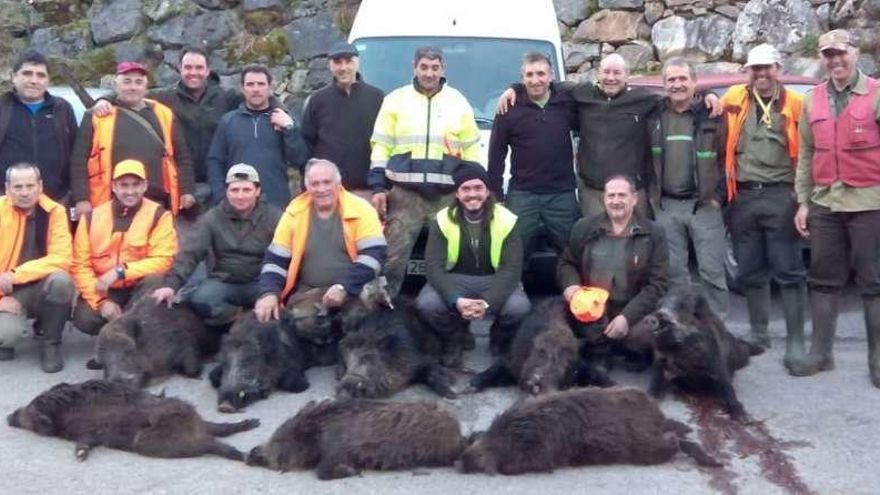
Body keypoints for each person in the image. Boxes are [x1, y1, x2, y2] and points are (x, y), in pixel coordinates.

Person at [498, 53, 721, 220]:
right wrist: (515, 88)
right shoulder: (582, 93)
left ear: (627, 76)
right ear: (598, 74)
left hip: (633, 193)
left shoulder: (644, 99)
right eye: (606, 72)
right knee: (594, 247)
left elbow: (678, 94)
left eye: (617, 73)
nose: (611, 77)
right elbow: (543, 85)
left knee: (638, 246)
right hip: (594, 192)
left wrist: (708, 95)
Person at [791, 30, 880, 386]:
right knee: (823, 281)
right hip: (825, 203)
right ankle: (820, 353)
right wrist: (802, 202)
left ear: (855, 54)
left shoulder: (875, 94)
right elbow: (806, 155)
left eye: (840, 53)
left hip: (869, 202)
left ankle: (877, 358)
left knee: (873, 283)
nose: (835, 61)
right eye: (828, 55)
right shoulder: (812, 100)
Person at [720, 44, 807, 370]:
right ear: (748, 72)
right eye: (755, 69)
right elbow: (707, 108)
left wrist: (803, 199)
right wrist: (710, 101)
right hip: (742, 197)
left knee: (789, 270)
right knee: (750, 269)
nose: (761, 74)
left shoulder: (798, 103)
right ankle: (759, 333)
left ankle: (797, 342)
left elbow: (809, 151)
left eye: (766, 68)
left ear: (778, 68)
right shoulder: (733, 98)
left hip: (781, 195)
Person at [368, 46, 481, 297]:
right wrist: (377, 187)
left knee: (452, 260)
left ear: (443, 69)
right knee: (392, 261)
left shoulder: (457, 102)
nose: (429, 73)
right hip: (405, 196)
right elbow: (381, 146)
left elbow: (472, 149)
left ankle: (449, 311)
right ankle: (384, 312)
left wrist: (474, 187)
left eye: (434, 67)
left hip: (447, 197)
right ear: (414, 67)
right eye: (424, 67)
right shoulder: (395, 100)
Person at [94, 47, 243, 208]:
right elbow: (131, 93)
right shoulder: (165, 96)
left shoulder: (227, 97)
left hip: (217, 181)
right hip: (180, 182)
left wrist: (275, 110)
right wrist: (104, 99)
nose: (193, 72)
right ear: (180, 68)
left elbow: (258, 98)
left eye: (199, 68)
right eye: (188, 67)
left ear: (208, 70)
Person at [416, 163, 530, 365]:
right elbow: (433, 266)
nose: (472, 194)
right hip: (456, 279)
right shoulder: (442, 220)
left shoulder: (507, 220)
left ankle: (499, 339)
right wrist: (456, 300)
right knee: (427, 304)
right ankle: (454, 337)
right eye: (466, 189)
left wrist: (487, 303)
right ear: (457, 194)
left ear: (487, 192)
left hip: (494, 280)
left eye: (478, 188)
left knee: (519, 307)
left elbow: (511, 269)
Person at [254, 159, 386, 322]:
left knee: (360, 321)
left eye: (326, 182)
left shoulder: (362, 209)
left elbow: (374, 256)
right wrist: (268, 293)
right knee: (303, 324)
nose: (321, 189)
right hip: (310, 289)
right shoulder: (294, 213)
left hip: (357, 286)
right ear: (307, 188)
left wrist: (343, 287)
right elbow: (275, 261)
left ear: (338, 184)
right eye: (315, 184)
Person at [151, 164, 281, 326]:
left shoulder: (275, 218)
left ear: (257, 191)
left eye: (246, 190)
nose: (240, 196)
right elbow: (190, 254)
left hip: (261, 283)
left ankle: (258, 315)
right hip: (224, 282)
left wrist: (271, 292)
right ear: (226, 192)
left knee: (283, 303)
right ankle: (241, 320)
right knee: (201, 300)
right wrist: (170, 285)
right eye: (234, 190)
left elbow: (286, 257)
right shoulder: (212, 219)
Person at [558, 175, 669, 365]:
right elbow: (566, 262)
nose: (616, 201)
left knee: (643, 337)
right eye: (611, 196)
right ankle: (599, 348)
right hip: (590, 311)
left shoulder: (654, 233)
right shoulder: (584, 228)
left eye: (622, 195)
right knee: (558, 332)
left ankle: (622, 350)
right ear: (604, 199)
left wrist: (627, 317)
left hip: (631, 310)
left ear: (634, 199)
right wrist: (571, 287)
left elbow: (658, 284)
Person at [647, 58, 728, 315]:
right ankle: (679, 331)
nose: (677, 84)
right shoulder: (654, 114)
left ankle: (717, 333)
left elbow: (731, 157)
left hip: (704, 206)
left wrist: (717, 197)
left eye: (683, 78)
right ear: (664, 84)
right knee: (674, 274)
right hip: (666, 205)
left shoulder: (713, 114)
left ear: (694, 82)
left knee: (712, 271)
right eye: (671, 79)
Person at [70, 61, 196, 217]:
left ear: (146, 86)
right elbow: (79, 161)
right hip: (108, 204)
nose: (133, 87)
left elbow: (182, 156)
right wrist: (82, 199)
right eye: (127, 81)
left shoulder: (164, 114)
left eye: (138, 82)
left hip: (157, 203)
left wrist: (187, 190)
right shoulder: (97, 116)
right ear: (116, 85)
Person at [487, 51, 579, 259]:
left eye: (541, 74)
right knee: (511, 253)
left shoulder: (566, 103)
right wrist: (496, 196)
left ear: (551, 76)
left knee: (573, 253)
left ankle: (574, 291)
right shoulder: (508, 108)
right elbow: (496, 154)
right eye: (529, 75)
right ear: (522, 78)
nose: (535, 80)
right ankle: (512, 292)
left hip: (561, 195)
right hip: (523, 194)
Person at [71, 160, 177, 336]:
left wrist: (121, 271)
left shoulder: (160, 216)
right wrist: (102, 302)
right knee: (85, 320)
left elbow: (164, 260)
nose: (130, 191)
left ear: (145, 186)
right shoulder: (91, 218)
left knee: (155, 280)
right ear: (113, 186)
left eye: (136, 185)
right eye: (124, 185)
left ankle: (129, 333)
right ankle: (126, 329)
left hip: (139, 286)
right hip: (105, 288)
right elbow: (79, 266)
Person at [0, 163, 74, 373]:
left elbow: (62, 257)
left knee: (62, 281)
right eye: (18, 187)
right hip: (7, 291)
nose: (25, 192)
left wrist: (15, 275)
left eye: (30, 186)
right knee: (6, 336)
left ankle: (51, 342)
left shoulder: (55, 212)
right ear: (7, 188)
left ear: (40, 186)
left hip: (40, 286)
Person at [207, 64, 309, 209]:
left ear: (270, 87)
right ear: (242, 88)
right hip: (238, 205)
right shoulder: (228, 121)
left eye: (261, 84)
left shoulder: (283, 120)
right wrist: (221, 198)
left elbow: (299, 159)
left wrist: (289, 128)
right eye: (250, 84)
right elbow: (215, 161)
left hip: (276, 204)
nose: (256, 89)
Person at [300, 42, 384, 199]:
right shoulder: (318, 100)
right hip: (327, 193)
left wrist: (381, 187)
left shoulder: (377, 98)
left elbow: (385, 145)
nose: (343, 68)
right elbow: (307, 145)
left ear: (357, 63)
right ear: (330, 66)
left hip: (367, 191)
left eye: (348, 61)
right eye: (337, 62)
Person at [0, 50, 77, 202]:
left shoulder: (62, 109)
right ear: (14, 77)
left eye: (40, 75)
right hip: (7, 204)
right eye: (27, 73)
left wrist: (70, 195)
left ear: (48, 81)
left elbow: (77, 156)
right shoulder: (2, 107)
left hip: (56, 202)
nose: (34, 80)